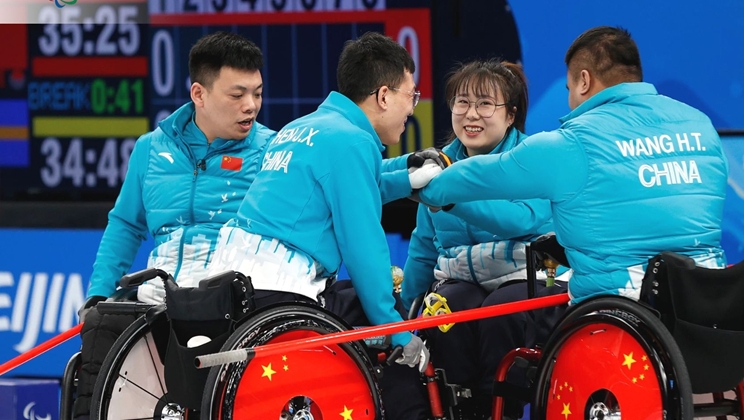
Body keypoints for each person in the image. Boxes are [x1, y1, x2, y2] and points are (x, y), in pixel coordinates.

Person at [207, 31, 433, 420]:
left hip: (232, 287)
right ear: (383, 96)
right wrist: (396, 330)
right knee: (385, 314)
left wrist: (405, 180)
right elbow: (363, 249)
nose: (412, 109)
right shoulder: (352, 142)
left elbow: (346, 187)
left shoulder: (304, 127)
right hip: (280, 295)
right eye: (410, 96)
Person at [418, 26, 728, 306]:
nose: (472, 113)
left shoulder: (573, 142)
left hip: (615, 312)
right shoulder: (700, 124)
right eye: (463, 102)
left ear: (584, 81)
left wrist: (426, 186)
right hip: (705, 306)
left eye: (567, 89)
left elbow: (491, 183)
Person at [73, 31, 275, 419]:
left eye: (258, 93)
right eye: (237, 95)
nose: (251, 105)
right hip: (158, 297)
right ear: (199, 94)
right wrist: (98, 293)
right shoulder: (151, 148)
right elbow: (126, 225)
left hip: (228, 299)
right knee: (101, 321)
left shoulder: (272, 152)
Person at [401, 58, 563, 420]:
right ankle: (463, 410)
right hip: (463, 279)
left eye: (485, 104)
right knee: (445, 311)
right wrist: (403, 310)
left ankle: (501, 411)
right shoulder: (437, 166)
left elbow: (522, 219)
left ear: (510, 115)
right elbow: (424, 247)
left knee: (500, 313)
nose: (471, 114)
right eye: (462, 102)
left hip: (533, 276)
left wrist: (453, 198)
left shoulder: (533, 158)